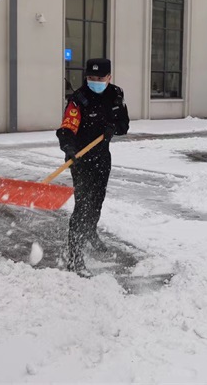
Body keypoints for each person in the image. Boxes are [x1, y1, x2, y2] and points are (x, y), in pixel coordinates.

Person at [56, 58, 130, 277]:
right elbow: (67, 128)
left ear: (109, 77)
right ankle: (75, 257)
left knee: (97, 200)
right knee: (83, 206)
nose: (94, 82)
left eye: (99, 78)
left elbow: (124, 125)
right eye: (90, 78)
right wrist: (69, 148)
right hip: (80, 159)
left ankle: (90, 232)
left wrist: (112, 128)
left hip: (102, 157)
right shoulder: (79, 99)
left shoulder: (116, 94)